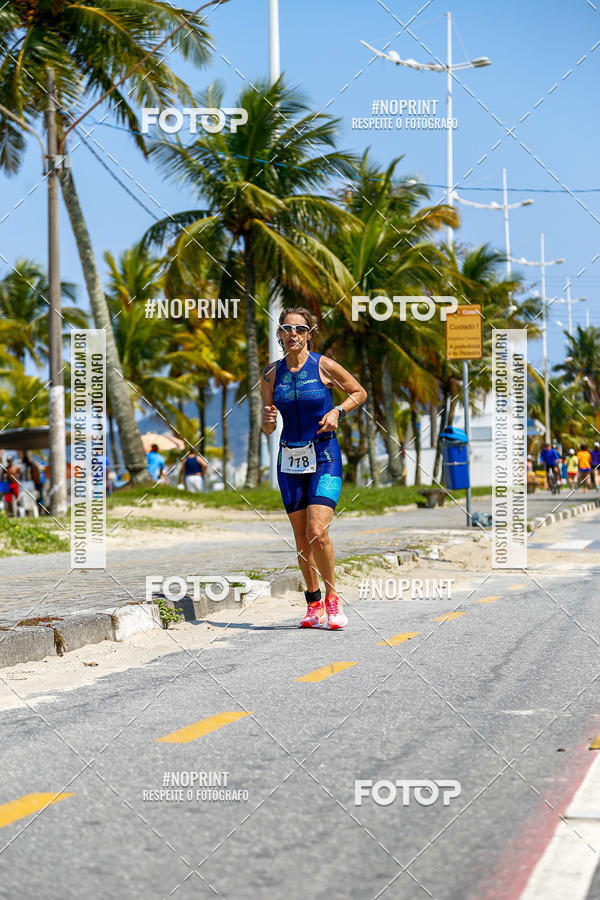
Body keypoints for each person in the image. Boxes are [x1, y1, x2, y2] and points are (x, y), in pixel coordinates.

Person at [261, 307, 367, 630]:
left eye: (299, 329)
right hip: (289, 460)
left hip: (324, 457)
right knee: (300, 536)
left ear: (310, 334)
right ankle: (313, 602)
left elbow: (358, 392)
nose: (292, 334)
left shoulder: (323, 366)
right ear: (280, 334)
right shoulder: (270, 375)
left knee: (317, 532)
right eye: (286, 328)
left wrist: (337, 411)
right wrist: (267, 423)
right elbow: (267, 427)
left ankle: (333, 599)